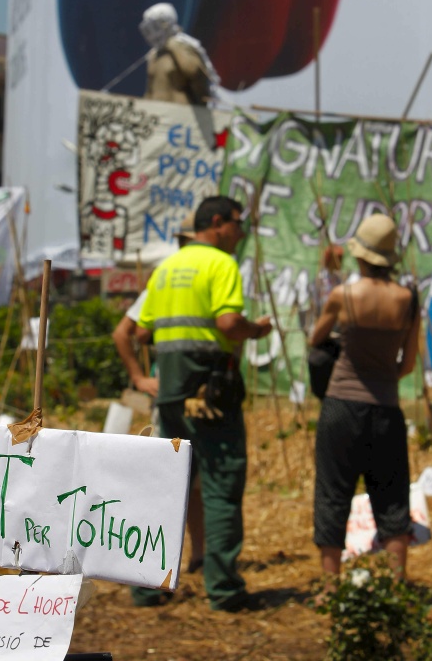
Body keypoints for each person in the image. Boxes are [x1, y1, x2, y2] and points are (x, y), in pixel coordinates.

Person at [131, 195, 272, 612]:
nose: (241, 233)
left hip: (171, 396)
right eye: (238, 224)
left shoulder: (166, 268)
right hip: (211, 396)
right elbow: (228, 323)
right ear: (218, 223)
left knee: (167, 487)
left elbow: (141, 333)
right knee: (221, 485)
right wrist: (256, 330)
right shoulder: (221, 264)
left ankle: (146, 585)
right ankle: (224, 590)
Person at [309, 213, 420, 584]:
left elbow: (315, 339)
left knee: (332, 493)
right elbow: (407, 364)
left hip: (340, 405)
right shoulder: (408, 300)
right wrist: (383, 374)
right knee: (392, 497)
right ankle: (396, 586)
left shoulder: (344, 296)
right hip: (386, 409)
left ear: (360, 255)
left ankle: (330, 586)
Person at [111, 213, 204, 571]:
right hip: (171, 394)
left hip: (198, 395)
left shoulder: (195, 278)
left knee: (195, 480)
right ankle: (159, 560)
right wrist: (139, 377)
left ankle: (198, 554)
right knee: (171, 475)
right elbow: (126, 332)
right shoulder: (165, 282)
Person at [139, 3, 219, 105]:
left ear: (166, 24)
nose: (152, 32)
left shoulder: (183, 46)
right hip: (156, 112)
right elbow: (150, 90)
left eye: (155, 26)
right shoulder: (154, 55)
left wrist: (173, 45)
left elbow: (194, 72)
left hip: (181, 111)